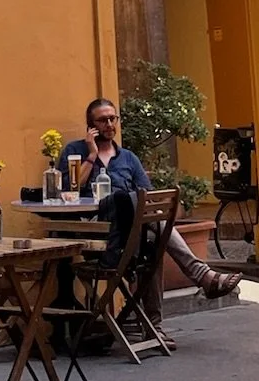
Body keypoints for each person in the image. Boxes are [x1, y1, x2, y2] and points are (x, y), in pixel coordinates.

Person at [59, 96, 242, 301]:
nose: (109, 125)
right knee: (133, 206)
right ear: (91, 126)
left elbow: (150, 199)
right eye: (103, 120)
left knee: (150, 234)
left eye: (113, 119)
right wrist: (91, 155)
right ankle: (202, 276)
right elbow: (68, 190)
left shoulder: (128, 158)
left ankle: (154, 327)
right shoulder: (75, 151)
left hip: (130, 231)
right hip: (98, 230)